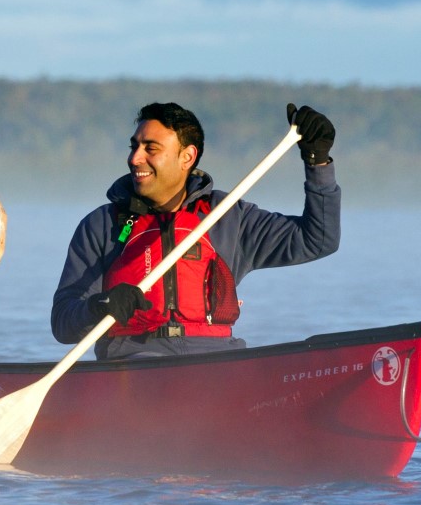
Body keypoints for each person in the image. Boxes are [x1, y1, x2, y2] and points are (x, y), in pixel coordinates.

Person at [51, 101, 340, 359]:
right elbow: (63, 323)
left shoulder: (228, 216)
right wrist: (100, 305)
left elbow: (318, 240)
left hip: (219, 364)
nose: (135, 158)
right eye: (134, 147)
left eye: (150, 148)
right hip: (135, 365)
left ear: (187, 157)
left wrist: (318, 162)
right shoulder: (102, 225)